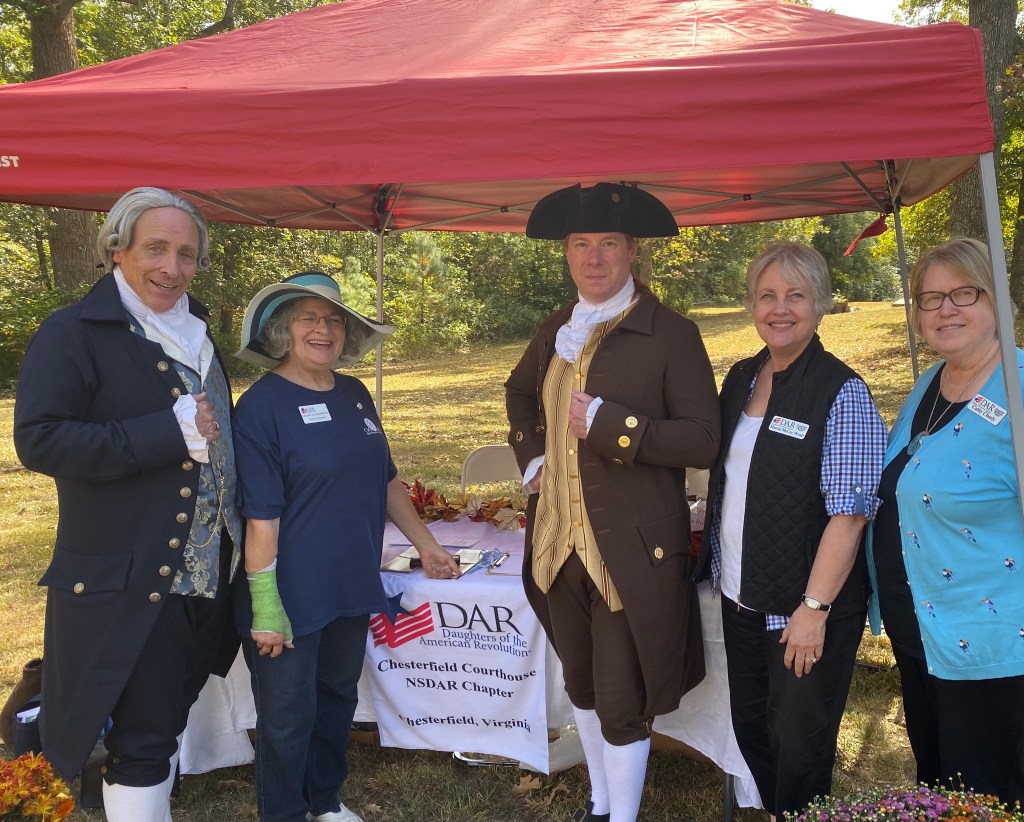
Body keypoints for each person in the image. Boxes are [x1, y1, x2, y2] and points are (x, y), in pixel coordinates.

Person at [13, 187, 242, 821]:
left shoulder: (197, 331)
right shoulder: (73, 332)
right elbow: (39, 440)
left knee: (164, 720)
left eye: (187, 254)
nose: (172, 267)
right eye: (156, 249)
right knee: (142, 738)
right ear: (118, 249)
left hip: (210, 573)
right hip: (133, 574)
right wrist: (163, 433)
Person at [505, 183, 720, 822]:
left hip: (630, 549)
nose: (594, 258)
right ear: (566, 254)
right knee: (582, 685)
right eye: (581, 245)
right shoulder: (556, 327)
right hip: (556, 543)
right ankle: (601, 803)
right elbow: (518, 394)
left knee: (622, 699)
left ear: (631, 252)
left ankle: (622, 816)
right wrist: (534, 458)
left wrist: (612, 426)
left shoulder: (672, 334)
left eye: (608, 244)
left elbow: (703, 439)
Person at [232, 272, 461, 822]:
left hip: (351, 583)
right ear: (282, 331)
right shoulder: (261, 406)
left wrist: (428, 545)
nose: (324, 329)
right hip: (289, 589)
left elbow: (386, 479)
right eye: (308, 318)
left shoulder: (354, 393)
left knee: (336, 699)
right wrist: (265, 605)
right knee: (287, 716)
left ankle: (324, 801)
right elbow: (260, 517)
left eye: (334, 319)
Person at [694, 242, 887, 820]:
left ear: (820, 303)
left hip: (802, 611)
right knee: (753, 731)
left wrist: (814, 609)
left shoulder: (842, 392)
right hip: (740, 598)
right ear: (751, 305)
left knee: (799, 749)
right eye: (767, 296)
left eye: (795, 295)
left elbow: (850, 515)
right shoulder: (741, 377)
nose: (780, 309)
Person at [866, 238, 1024, 803]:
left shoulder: (1018, 387)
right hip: (922, 636)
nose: (945, 309)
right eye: (930, 299)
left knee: (990, 798)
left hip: (993, 647)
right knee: (941, 789)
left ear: (997, 299)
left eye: (964, 293)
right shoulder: (932, 381)